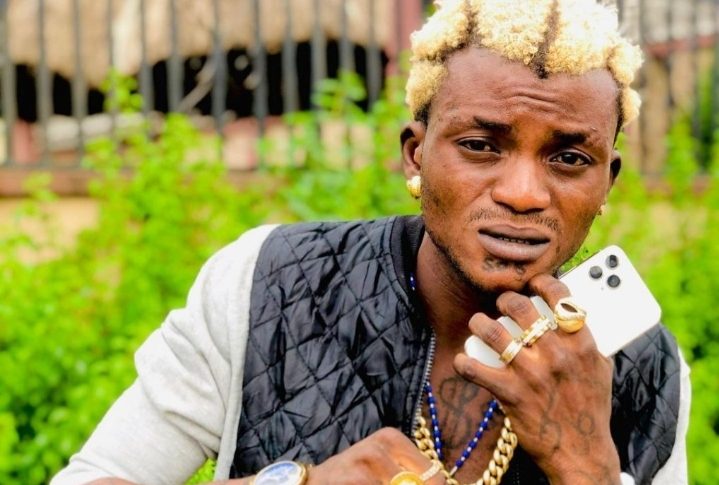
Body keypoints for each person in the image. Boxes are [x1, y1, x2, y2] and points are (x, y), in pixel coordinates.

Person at [51, 0, 690, 484]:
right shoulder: (269, 282)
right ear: (416, 156)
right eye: (480, 145)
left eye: (570, 158)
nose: (523, 193)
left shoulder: (648, 369)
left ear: (606, 183)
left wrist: (588, 465)